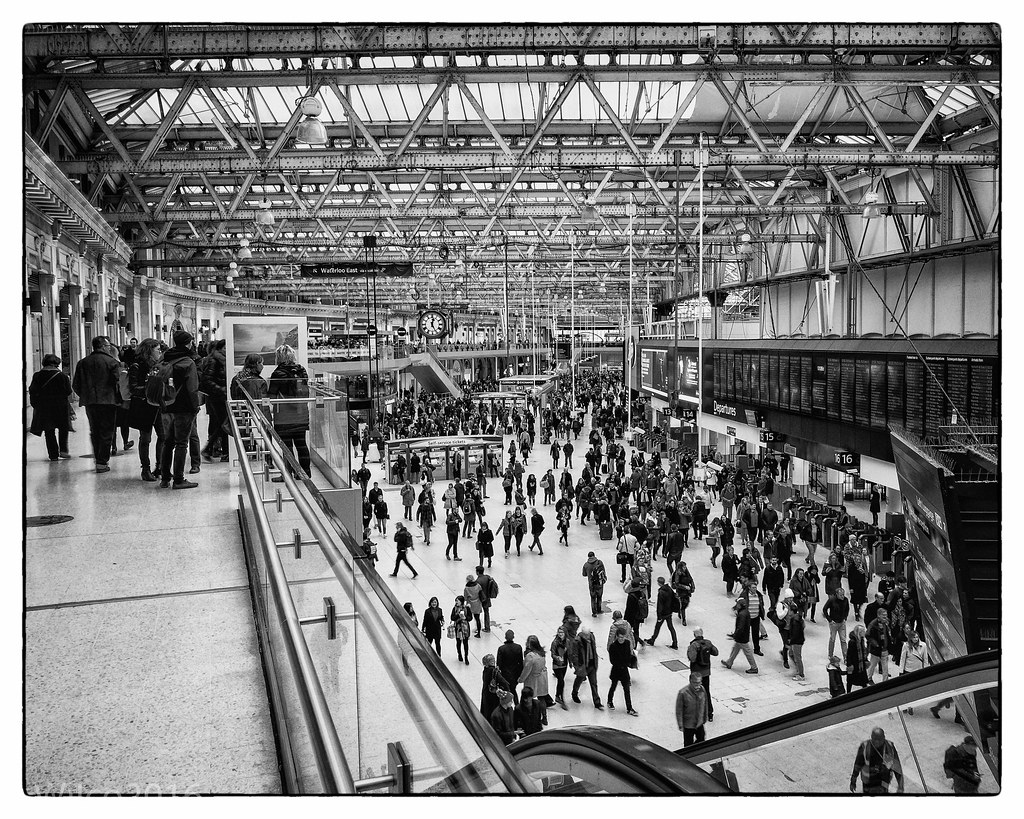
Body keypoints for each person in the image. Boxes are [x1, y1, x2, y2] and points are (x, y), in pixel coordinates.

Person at [155, 331, 201, 489]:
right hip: (184, 407)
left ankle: (165, 478)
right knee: (182, 443)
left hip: (166, 404)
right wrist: (195, 407)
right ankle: (179, 479)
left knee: (168, 442)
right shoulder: (188, 362)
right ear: (188, 343)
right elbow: (192, 388)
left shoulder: (165, 357)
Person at [72, 336, 122, 473]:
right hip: (108, 401)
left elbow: (76, 384)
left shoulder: (82, 363)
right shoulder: (111, 362)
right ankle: (102, 461)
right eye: (108, 346)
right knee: (107, 431)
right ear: (103, 347)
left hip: (90, 402)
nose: (109, 348)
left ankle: (98, 458)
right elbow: (117, 382)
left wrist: (85, 395)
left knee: (94, 431)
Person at [267, 345, 312, 480]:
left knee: (286, 447)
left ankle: (287, 474)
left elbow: (272, 397)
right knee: (301, 444)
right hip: (301, 413)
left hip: (284, 416)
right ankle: (305, 473)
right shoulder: (302, 370)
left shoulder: (277, 373)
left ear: (279, 357)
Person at [29, 353, 73, 462]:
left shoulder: (37, 376)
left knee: (49, 431)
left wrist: (35, 404)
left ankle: (53, 455)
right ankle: (63, 450)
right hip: (60, 406)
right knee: (63, 428)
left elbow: (32, 391)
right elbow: (68, 391)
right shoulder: (62, 376)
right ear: (56, 364)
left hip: (44, 407)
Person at [199, 339, 228, 462]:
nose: (227, 350)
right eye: (225, 347)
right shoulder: (214, 360)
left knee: (221, 424)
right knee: (224, 424)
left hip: (219, 396)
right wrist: (222, 389)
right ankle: (212, 449)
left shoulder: (221, 359)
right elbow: (207, 380)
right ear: (220, 348)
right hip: (216, 397)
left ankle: (213, 449)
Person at [850, 728, 904, 794]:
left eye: (879, 739)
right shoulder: (865, 747)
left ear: (884, 738)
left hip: (883, 782)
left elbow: (897, 768)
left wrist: (900, 786)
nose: (877, 742)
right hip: (869, 783)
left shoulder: (889, 749)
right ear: (871, 737)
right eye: (875, 739)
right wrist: (853, 780)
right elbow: (857, 765)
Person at [686, 628, 718, 721]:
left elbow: (692, 658)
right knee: (706, 691)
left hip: (696, 673)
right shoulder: (708, 643)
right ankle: (709, 713)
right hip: (706, 672)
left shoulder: (694, 645)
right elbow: (716, 652)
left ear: (694, 635)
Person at [570, 622, 603, 709]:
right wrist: (577, 666)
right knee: (579, 680)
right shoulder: (577, 641)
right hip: (583, 665)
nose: (587, 636)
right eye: (586, 635)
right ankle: (574, 693)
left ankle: (597, 702)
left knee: (594, 683)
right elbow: (575, 655)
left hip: (592, 664)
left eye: (588, 634)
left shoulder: (592, 637)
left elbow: (594, 649)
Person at [607, 626, 639, 715]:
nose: (622, 639)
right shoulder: (613, 646)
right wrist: (623, 661)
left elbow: (628, 655)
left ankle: (629, 708)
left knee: (627, 689)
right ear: (617, 636)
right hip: (616, 670)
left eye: (623, 637)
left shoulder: (627, 643)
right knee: (613, 686)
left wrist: (631, 660)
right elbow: (612, 661)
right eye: (620, 637)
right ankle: (609, 701)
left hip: (624, 670)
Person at [721, 599, 759, 674]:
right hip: (742, 636)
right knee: (735, 649)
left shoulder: (742, 614)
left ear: (739, 605)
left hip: (742, 637)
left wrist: (735, 635)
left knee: (747, 652)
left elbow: (740, 627)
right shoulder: (745, 611)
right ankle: (729, 662)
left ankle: (754, 667)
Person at [518, 636, 552, 715]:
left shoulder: (530, 656)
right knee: (541, 697)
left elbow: (527, 669)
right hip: (542, 678)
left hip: (532, 679)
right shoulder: (541, 652)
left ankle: (527, 714)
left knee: (528, 697)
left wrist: (521, 679)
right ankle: (544, 716)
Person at [676, 673, 709, 747]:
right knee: (688, 745)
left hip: (699, 722)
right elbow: (679, 711)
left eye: (699, 682)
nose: (698, 685)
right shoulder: (683, 693)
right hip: (688, 724)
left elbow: (705, 704)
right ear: (691, 681)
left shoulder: (702, 689)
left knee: (701, 740)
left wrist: (705, 717)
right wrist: (680, 725)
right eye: (696, 683)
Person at [646, 576, 679, 649]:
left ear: (658, 583)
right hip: (669, 612)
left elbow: (660, 605)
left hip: (663, 613)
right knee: (671, 628)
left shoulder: (661, 592)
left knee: (657, 627)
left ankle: (652, 640)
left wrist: (659, 616)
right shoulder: (669, 589)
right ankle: (675, 643)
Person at [497, 630, 525, 705]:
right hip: (515, 674)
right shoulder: (518, 647)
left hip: (505, 675)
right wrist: (519, 674)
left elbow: (499, 664)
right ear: (513, 637)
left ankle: (507, 706)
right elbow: (520, 662)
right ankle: (517, 705)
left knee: (506, 691)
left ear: (505, 637)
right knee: (513, 690)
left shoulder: (501, 649)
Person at [823, 586, 851, 662]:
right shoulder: (832, 600)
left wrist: (845, 617)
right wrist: (829, 620)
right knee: (832, 639)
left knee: (843, 640)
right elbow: (824, 609)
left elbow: (847, 609)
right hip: (834, 623)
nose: (842, 596)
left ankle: (845, 657)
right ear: (837, 594)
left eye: (843, 594)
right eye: (841, 595)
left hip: (842, 622)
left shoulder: (845, 600)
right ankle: (830, 655)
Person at [480, 654, 511, 720]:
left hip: (486, 693)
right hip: (493, 695)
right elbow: (504, 682)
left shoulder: (485, 670)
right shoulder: (494, 671)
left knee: (486, 709)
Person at [866, 608, 892, 683]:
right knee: (872, 665)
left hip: (885, 649)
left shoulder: (887, 622)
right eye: (883, 615)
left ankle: (885, 681)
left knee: (885, 667)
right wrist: (876, 644)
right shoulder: (872, 624)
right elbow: (867, 635)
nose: (885, 617)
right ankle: (868, 678)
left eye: (886, 615)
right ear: (878, 615)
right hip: (876, 650)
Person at [550, 626, 570, 710]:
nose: (560, 634)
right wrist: (557, 658)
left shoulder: (567, 641)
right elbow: (552, 654)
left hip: (564, 664)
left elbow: (568, 652)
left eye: (562, 632)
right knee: (561, 681)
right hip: (557, 665)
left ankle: (557, 695)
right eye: (559, 632)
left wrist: (570, 662)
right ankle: (561, 699)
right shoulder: (555, 642)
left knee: (560, 681)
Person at [846, 623, 870, 693]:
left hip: (861, 663)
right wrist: (849, 664)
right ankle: (848, 692)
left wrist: (866, 660)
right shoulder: (852, 642)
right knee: (850, 680)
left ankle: (866, 691)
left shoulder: (861, 640)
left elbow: (863, 651)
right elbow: (849, 654)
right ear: (859, 632)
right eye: (863, 631)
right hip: (854, 664)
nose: (864, 633)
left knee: (863, 680)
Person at [582, 551, 607, 617]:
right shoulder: (599, 562)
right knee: (599, 596)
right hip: (599, 583)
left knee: (593, 598)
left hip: (592, 584)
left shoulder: (586, 565)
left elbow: (584, 574)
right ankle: (599, 609)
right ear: (594, 555)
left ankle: (594, 612)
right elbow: (603, 571)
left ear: (588, 557)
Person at [451, 596, 472, 664]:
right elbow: (452, 618)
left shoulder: (466, 608)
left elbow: (470, 617)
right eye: (456, 601)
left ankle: (466, 657)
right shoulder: (455, 609)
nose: (456, 602)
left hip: (465, 628)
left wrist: (465, 617)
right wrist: (458, 615)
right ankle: (459, 654)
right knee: (458, 642)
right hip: (458, 628)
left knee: (465, 643)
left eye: (457, 601)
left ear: (461, 601)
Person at [476, 565, 497, 632]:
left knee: (477, 614)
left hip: (480, 599)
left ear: (477, 572)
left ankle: (478, 627)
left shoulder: (478, 581)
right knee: (486, 612)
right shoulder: (487, 577)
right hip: (487, 597)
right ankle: (487, 627)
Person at [788, 604, 806, 680]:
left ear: (792, 611)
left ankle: (801, 674)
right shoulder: (798, 618)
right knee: (791, 654)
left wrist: (790, 641)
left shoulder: (795, 621)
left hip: (796, 641)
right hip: (798, 640)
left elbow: (795, 633)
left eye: (789, 610)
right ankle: (798, 669)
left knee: (797, 658)